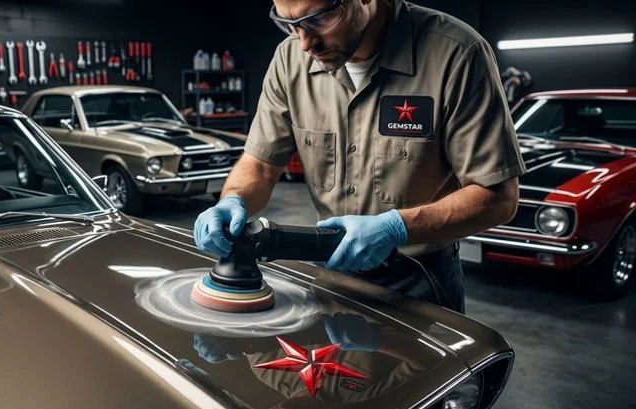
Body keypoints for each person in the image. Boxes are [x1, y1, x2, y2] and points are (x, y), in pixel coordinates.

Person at [193, 0, 525, 313]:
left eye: (318, 19)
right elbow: (261, 166)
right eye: (289, 24)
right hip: (330, 275)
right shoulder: (289, 59)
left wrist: (397, 228)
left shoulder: (457, 54)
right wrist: (232, 201)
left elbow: (498, 198)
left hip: (419, 280)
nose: (305, 43)